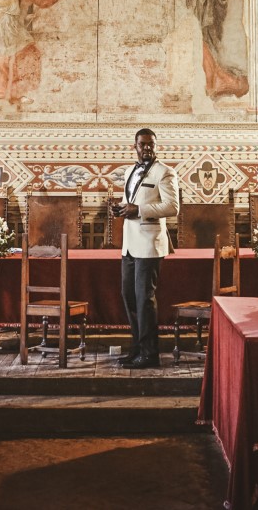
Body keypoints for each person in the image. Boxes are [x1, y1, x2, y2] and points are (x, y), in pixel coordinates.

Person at [111, 128, 179, 369]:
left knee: (144, 300)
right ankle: (137, 348)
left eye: (151, 144)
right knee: (129, 297)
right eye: (142, 144)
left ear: (156, 146)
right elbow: (131, 201)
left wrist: (138, 211)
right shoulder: (129, 170)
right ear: (135, 146)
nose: (146, 148)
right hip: (129, 244)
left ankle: (150, 354)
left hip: (150, 244)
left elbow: (172, 207)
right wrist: (120, 208)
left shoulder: (165, 172)